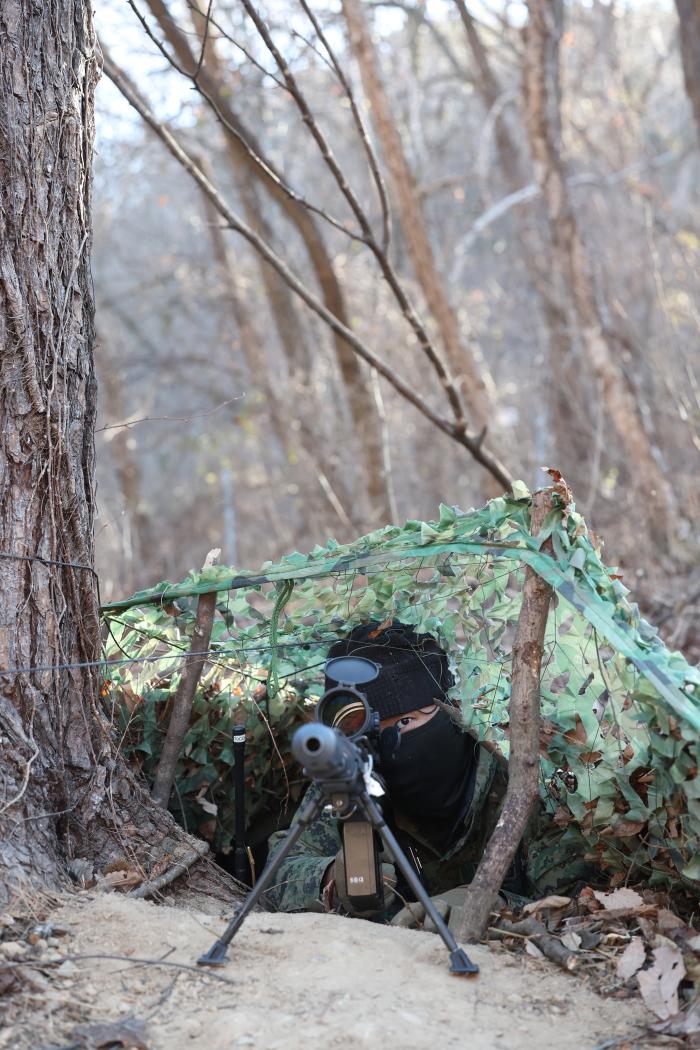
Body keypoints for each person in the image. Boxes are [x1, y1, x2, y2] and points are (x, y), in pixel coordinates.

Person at [264, 621, 592, 930]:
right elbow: (276, 873)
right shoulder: (350, 777)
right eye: (365, 732)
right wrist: (329, 882)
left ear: (451, 709)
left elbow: (581, 892)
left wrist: (493, 905)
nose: (387, 746)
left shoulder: (517, 775)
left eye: (405, 723)